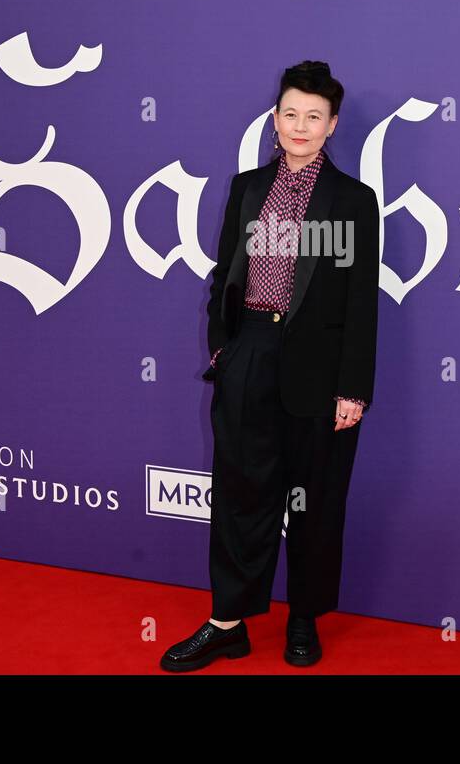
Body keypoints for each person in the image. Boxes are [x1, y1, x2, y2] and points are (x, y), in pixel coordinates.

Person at [160, 60, 381, 672]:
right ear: (276, 120)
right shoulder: (247, 188)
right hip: (250, 353)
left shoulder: (354, 202)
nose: (300, 126)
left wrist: (352, 389)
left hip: (320, 369)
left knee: (312, 502)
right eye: (291, 115)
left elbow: (363, 302)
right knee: (239, 495)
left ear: (332, 125)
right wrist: (223, 350)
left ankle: (303, 619)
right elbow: (223, 272)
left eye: (314, 117)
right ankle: (227, 622)